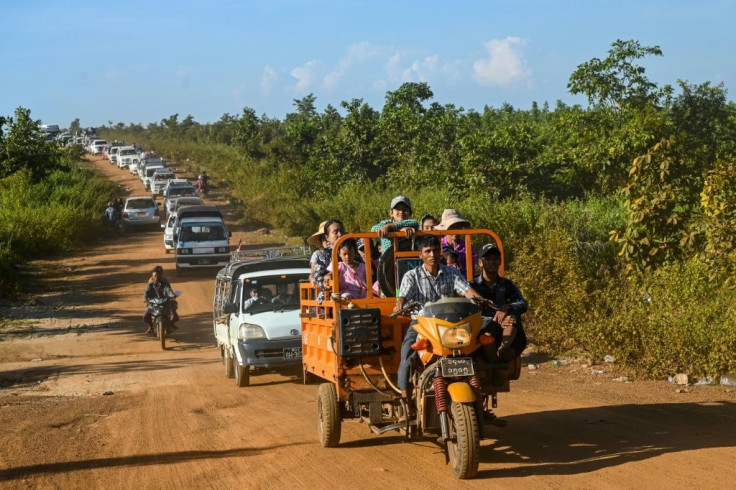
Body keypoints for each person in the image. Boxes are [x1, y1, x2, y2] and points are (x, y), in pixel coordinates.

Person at [393, 235, 482, 402]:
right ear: (420, 255)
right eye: (427, 251)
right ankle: (404, 395)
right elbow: (403, 296)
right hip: (422, 324)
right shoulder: (412, 276)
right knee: (407, 351)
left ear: (440, 252)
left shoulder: (451, 272)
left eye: (435, 250)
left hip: (451, 324)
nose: (432, 254)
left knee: (478, 343)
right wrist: (400, 305)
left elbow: (466, 289)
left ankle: (481, 386)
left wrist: (479, 299)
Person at [473, 243, 528, 362]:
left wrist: (506, 308)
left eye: (495, 258)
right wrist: (493, 319)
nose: (492, 262)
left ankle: (503, 349)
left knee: (512, 315)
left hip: (505, 330)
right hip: (482, 328)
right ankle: (494, 366)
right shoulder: (472, 286)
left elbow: (523, 303)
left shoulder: (507, 284)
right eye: (488, 259)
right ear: (480, 263)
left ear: (500, 261)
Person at [435, 209, 477, 277]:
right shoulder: (439, 246)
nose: (455, 230)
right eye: (452, 227)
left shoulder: (467, 246)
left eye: (458, 227)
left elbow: (471, 270)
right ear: (445, 228)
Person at [143, 266, 179, 334]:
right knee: (146, 315)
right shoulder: (150, 285)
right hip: (153, 302)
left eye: (157, 276)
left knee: (173, 313)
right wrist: (146, 298)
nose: (156, 277)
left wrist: (172, 295)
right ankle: (151, 327)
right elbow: (146, 292)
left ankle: (171, 324)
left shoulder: (164, 283)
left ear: (160, 275)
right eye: (154, 276)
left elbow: (168, 290)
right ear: (152, 277)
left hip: (164, 301)